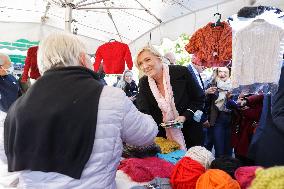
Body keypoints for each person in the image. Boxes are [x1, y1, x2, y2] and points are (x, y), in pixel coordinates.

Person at [2, 33, 158, 189]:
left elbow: (6, 156)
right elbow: (146, 135)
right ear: (83, 59)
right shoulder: (111, 97)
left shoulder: (17, 107)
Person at [136, 44, 205, 149]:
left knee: (194, 164)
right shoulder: (143, 83)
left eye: (148, 60)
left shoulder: (181, 72)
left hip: (191, 132)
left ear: (159, 58)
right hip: (163, 139)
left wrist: (185, 116)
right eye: (140, 63)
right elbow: (143, 110)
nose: (145, 66)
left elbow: (199, 98)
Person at [206, 67, 233, 157]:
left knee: (229, 151)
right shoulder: (212, 84)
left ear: (229, 73)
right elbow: (205, 102)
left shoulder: (234, 85)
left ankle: (228, 169)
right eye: (220, 71)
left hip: (231, 121)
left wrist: (230, 99)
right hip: (217, 120)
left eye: (225, 72)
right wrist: (206, 93)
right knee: (219, 151)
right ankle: (219, 169)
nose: (222, 74)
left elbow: (238, 105)